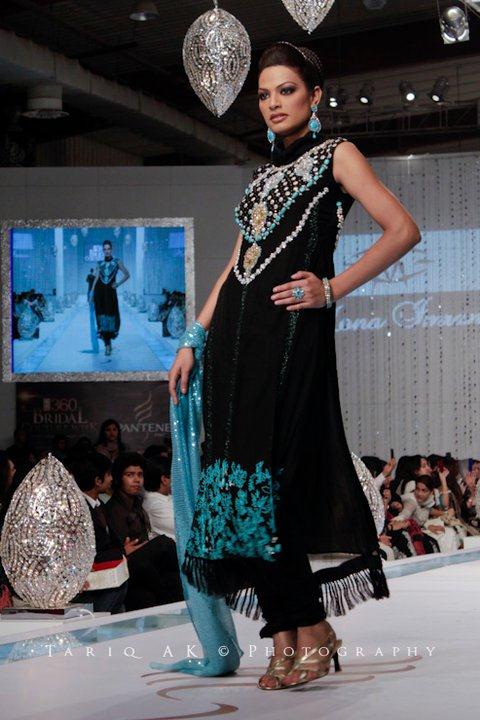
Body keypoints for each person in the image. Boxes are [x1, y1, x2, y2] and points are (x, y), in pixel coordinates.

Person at [167, 41, 421, 689]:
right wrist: (193, 337)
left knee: (269, 488)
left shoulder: (336, 154)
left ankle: (313, 627)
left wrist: (331, 289)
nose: (274, 103)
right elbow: (236, 265)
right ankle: (283, 634)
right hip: (235, 344)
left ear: (314, 95)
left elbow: (402, 229)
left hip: (288, 340)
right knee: (235, 493)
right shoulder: (260, 177)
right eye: (264, 94)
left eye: (286, 90)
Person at [104, 452, 183, 610]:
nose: (137, 480)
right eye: (130, 475)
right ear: (119, 477)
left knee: (170, 576)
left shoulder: (137, 504)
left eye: (140, 475)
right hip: (124, 565)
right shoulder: (113, 509)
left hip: (144, 563)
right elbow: (124, 546)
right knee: (165, 543)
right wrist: (126, 549)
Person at [68, 453, 128, 614]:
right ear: (97, 481)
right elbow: (86, 552)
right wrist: (120, 554)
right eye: (108, 474)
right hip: (90, 573)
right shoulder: (77, 509)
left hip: (109, 564)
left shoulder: (99, 503)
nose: (111, 479)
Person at [89, 240, 130, 356]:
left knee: (111, 318)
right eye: (105, 249)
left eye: (108, 249)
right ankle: (107, 346)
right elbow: (96, 278)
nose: (107, 251)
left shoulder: (117, 262)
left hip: (111, 294)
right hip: (100, 294)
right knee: (102, 319)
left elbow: (127, 274)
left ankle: (109, 344)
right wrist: (92, 292)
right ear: (103, 250)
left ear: (111, 249)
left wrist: (118, 284)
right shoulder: (100, 263)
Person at [143, 456, 176, 540]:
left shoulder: (166, 496)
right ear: (164, 480)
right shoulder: (155, 504)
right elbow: (183, 527)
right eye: (174, 475)